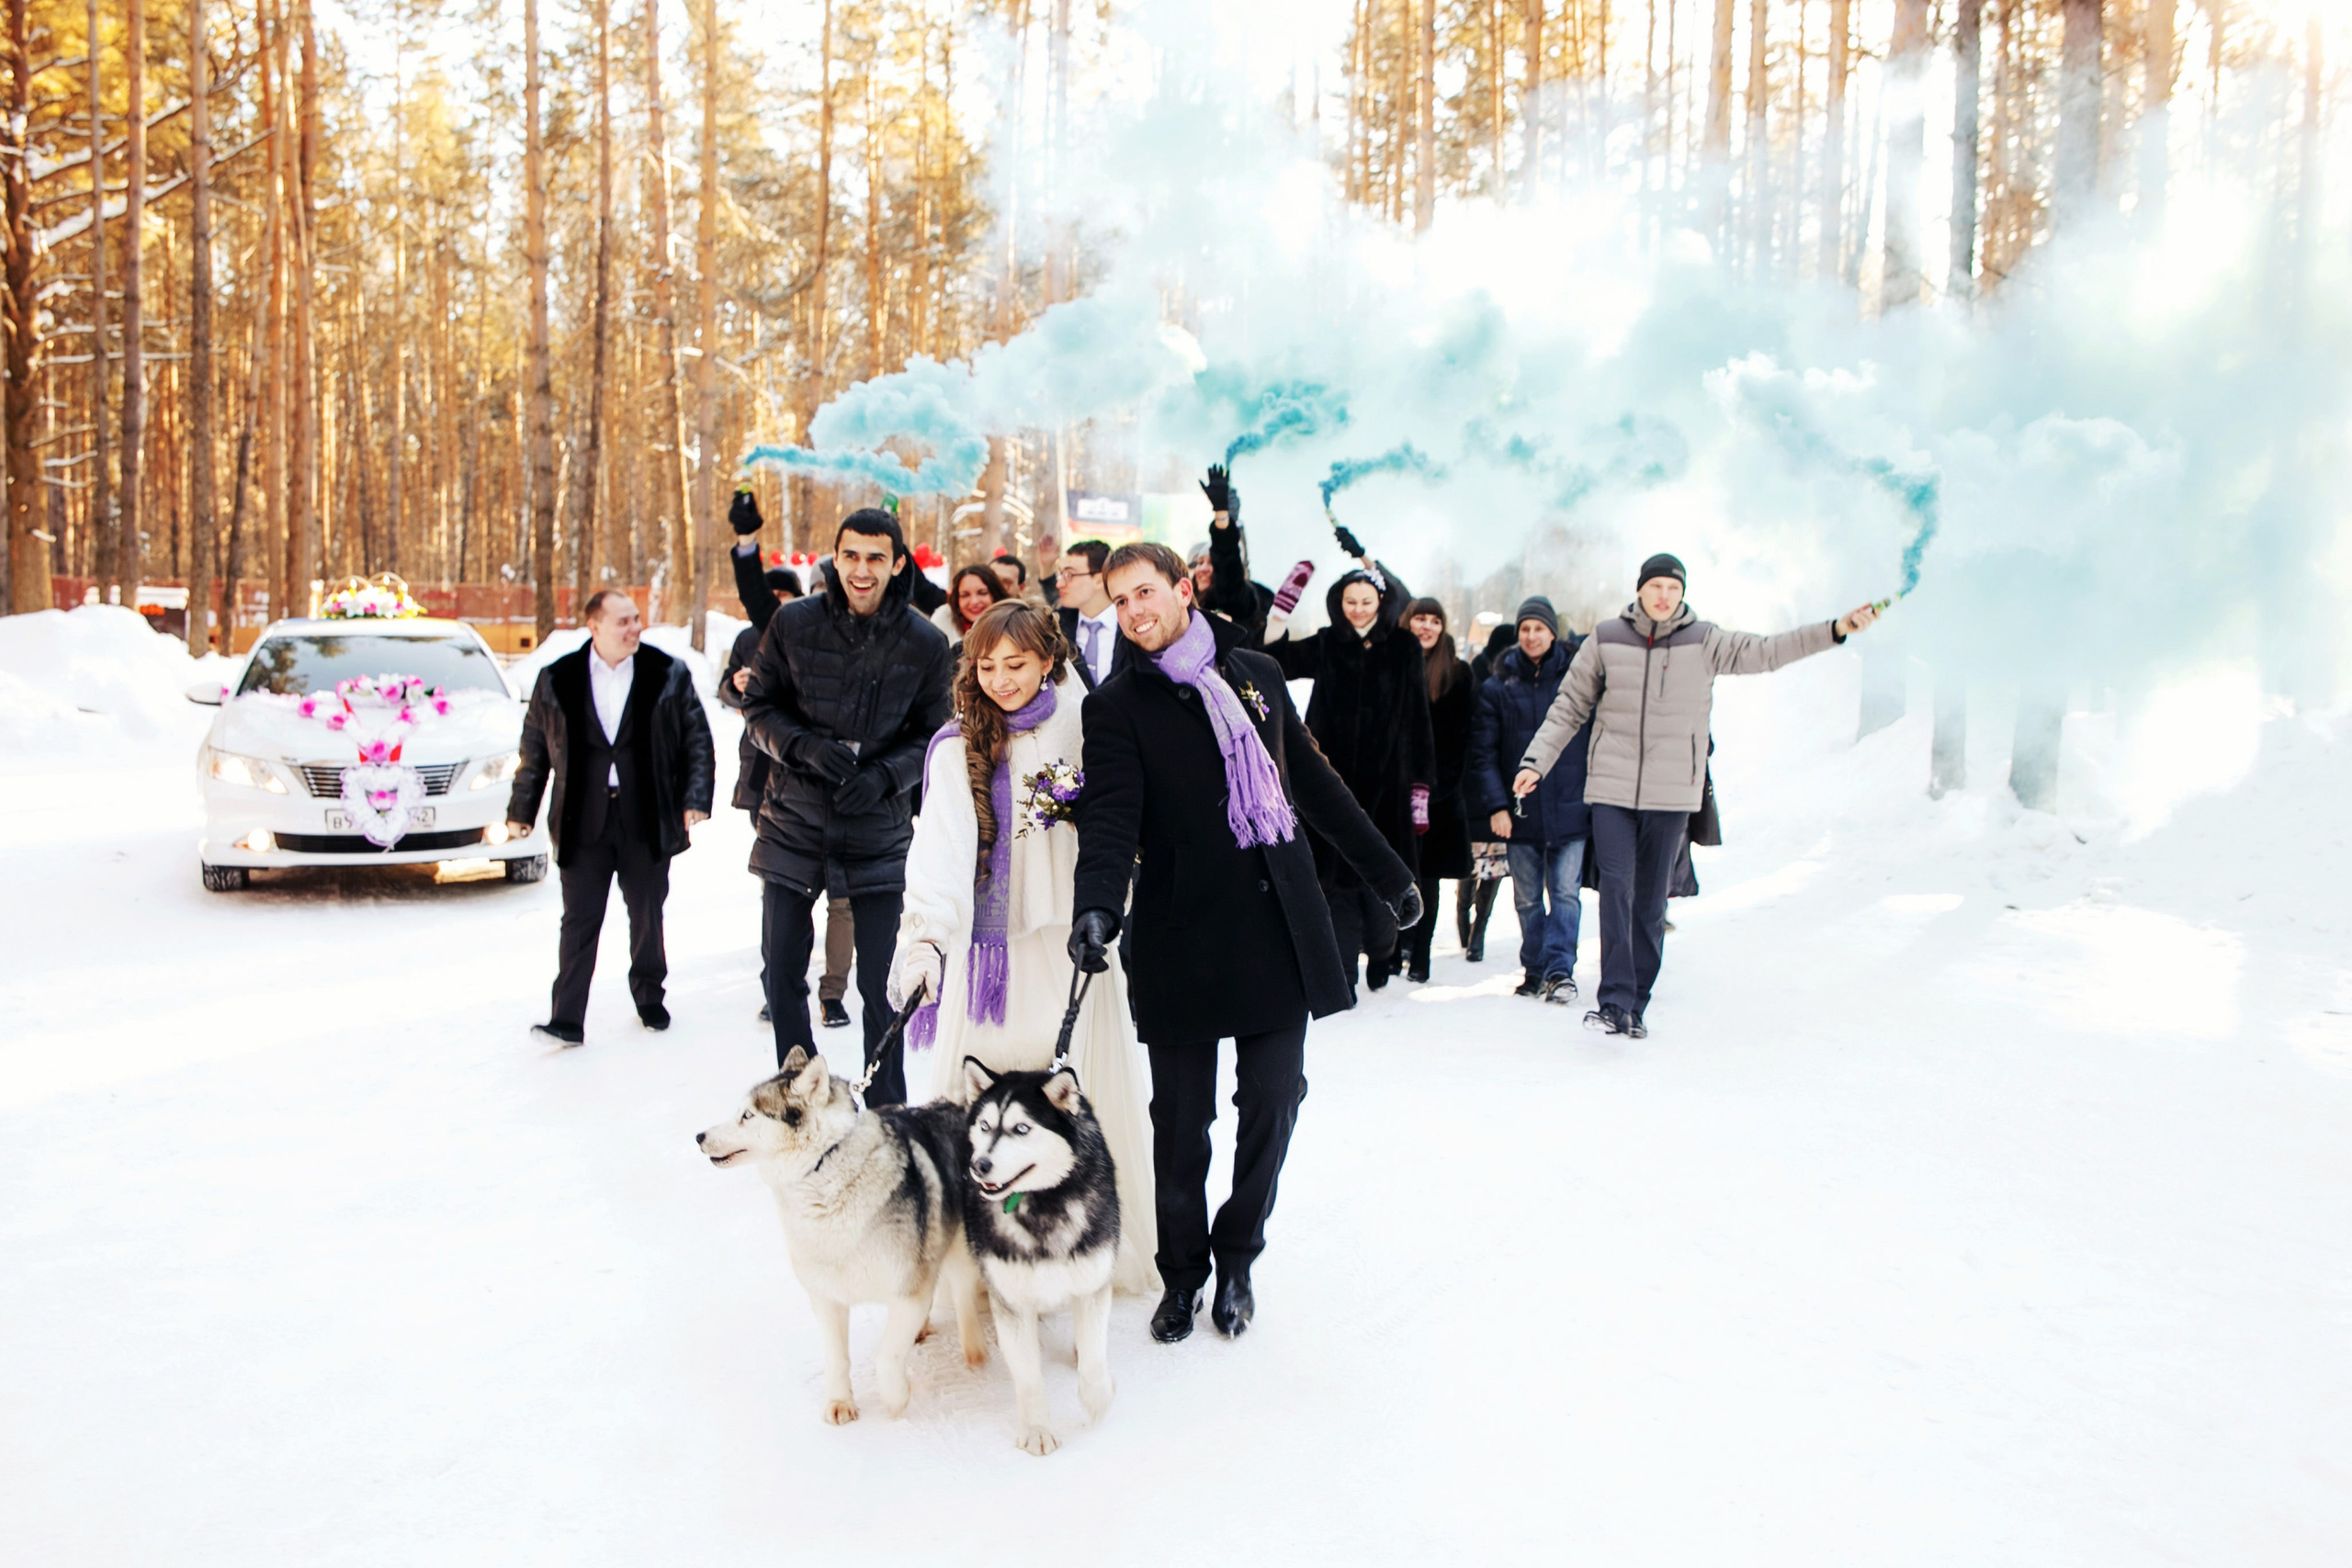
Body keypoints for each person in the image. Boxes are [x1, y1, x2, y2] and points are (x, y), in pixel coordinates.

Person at [1070, 543, 1418, 1345]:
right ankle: (1182, 1273)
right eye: (1119, 601)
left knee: (1272, 1100)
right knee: (1181, 1122)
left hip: (1274, 930)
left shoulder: (1257, 675)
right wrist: (1097, 908)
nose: (1134, 613)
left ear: (1183, 590)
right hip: (1182, 935)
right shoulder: (1118, 705)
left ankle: (1237, 1258)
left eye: (1145, 593)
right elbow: (1111, 818)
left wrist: (1387, 874)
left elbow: (1316, 787)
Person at [886, 600, 1158, 1293]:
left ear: (1048, 662)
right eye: (987, 665)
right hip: (991, 962)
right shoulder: (955, 746)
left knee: (1071, 1106)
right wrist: (925, 942)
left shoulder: (1084, 724)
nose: (1001, 679)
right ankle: (979, 1270)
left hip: (1071, 947)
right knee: (980, 1112)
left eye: (1016, 664)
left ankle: (1087, 1251)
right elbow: (939, 856)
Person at [1513, 554, 1881, 1036]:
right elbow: (1568, 708)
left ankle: (1636, 1002)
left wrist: (1835, 629)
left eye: (1673, 587)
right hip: (1612, 789)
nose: (1664, 595)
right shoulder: (1606, 638)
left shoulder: (1704, 640)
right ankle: (1614, 1000)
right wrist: (1535, 761)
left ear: (1682, 593)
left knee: (1649, 900)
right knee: (1616, 889)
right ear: (1640, 589)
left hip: (1671, 795)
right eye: (1656, 586)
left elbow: (1769, 651)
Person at [741, 507, 956, 1100]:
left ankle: (885, 1103)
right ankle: (800, 1093)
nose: (862, 570)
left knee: (884, 981)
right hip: (793, 823)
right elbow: (758, 708)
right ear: (834, 559)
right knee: (782, 970)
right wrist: (803, 746)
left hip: (878, 829)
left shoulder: (926, 642)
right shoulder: (793, 624)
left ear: (897, 564)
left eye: (876, 558)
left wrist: (889, 775)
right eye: (851, 556)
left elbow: (936, 738)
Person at [509, 590, 716, 1045]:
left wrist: (695, 797)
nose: (634, 629)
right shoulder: (557, 678)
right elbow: (535, 751)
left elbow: (697, 738)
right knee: (579, 920)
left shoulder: (666, 673)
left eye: (637, 619)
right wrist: (521, 810)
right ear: (594, 626)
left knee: (646, 916)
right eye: (623, 621)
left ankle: (649, 997)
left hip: (647, 816)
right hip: (584, 820)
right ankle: (566, 1019)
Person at [1263, 557, 1433, 997]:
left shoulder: (1403, 647)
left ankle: (1382, 953)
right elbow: (1274, 660)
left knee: (1380, 876)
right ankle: (1342, 970)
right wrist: (1280, 613)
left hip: (1389, 783)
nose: (1358, 609)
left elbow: (1418, 717)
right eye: (1350, 601)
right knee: (1334, 881)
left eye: (1366, 601)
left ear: (1381, 602)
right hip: (1331, 779)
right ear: (1338, 604)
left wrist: (1420, 787)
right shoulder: (1327, 642)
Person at [724, 490, 854, 1029]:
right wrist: (747, 543)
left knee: (844, 908)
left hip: (855, 802)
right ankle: (783, 991)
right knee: (784, 909)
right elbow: (758, 605)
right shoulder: (792, 634)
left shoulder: (888, 641)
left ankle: (834, 993)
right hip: (791, 799)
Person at [1468, 596, 1589, 1004]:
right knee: (1526, 898)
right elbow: (1483, 753)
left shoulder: (1578, 681)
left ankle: (1559, 971)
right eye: (1525, 629)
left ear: (1553, 632)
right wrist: (1496, 807)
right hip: (1519, 815)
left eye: (1539, 628)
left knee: (1566, 894)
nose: (1532, 636)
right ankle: (1534, 969)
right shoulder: (1497, 687)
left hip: (1572, 809)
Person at [1396, 598, 1473, 985]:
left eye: (1434, 620)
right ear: (1406, 622)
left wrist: (1434, 790)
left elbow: (1461, 740)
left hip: (1438, 797)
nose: (1426, 626)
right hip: (1394, 792)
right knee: (1395, 871)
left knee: (1428, 876)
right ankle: (1393, 949)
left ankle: (1420, 955)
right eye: (1419, 619)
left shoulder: (1457, 674)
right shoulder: (1390, 665)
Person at [1196, 466, 1276, 641]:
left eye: (1211, 563)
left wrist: (1222, 515)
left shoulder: (1235, 599)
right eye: (1197, 562)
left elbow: (1227, 562)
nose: (1202, 569)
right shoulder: (1186, 605)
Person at [1054, 538, 1124, 689]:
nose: (1059, 584)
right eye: (1060, 574)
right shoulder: (1055, 627)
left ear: (1099, 579)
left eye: (1069, 575)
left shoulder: (1131, 623)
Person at [933, 562, 1011, 649]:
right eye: (965, 595)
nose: (974, 601)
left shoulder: (1012, 626)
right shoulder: (944, 620)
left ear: (995, 595)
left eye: (982, 593)